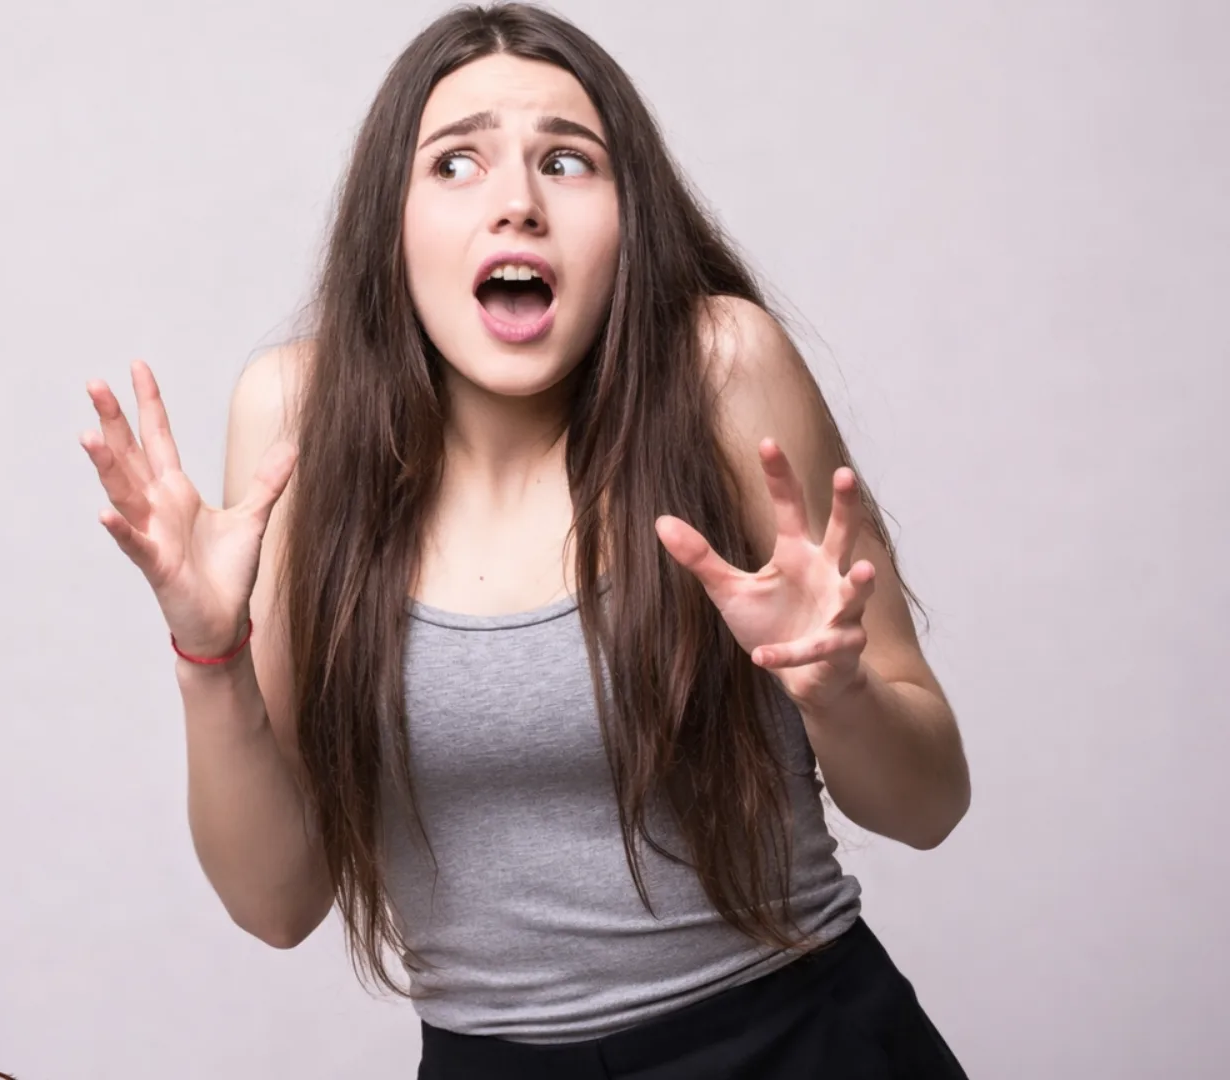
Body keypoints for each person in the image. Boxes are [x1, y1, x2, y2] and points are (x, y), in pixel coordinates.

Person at [79, 3, 973, 1076]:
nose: (516, 204)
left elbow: (928, 807)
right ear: (391, 222)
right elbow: (275, 904)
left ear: (627, 217)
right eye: (455, 164)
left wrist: (835, 690)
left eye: (568, 162)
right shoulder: (296, 420)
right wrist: (210, 655)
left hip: (800, 1042)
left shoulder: (721, 365)